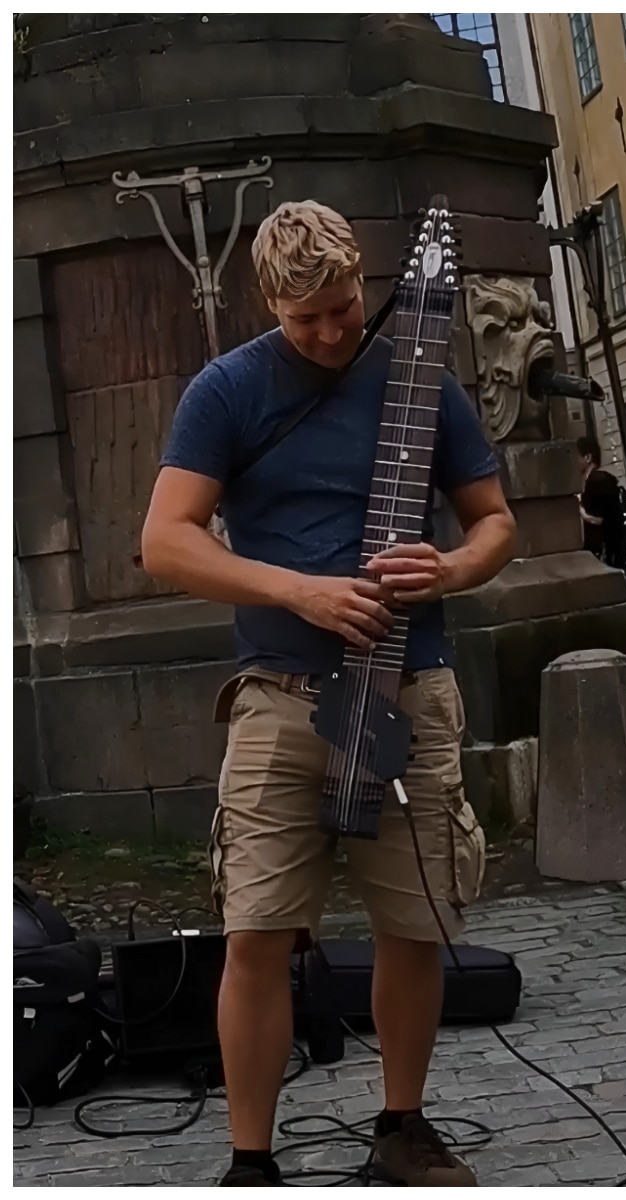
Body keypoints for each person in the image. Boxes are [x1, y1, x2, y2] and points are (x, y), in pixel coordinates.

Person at [141, 200, 517, 1186]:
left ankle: (400, 1125)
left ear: (364, 282)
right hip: (281, 694)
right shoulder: (226, 391)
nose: (332, 331)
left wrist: (449, 568)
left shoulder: (419, 376)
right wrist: (295, 587)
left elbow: (495, 525)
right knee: (255, 931)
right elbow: (165, 540)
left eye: (345, 307)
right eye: (307, 318)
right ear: (269, 301)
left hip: (412, 686)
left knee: (414, 927)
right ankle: (251, 1161)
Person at [576, 437, 626, 568]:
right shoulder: (592, 481)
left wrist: (578, 509)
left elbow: (599, 519)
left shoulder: (598, 482)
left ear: (587, 457)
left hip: (606, 554)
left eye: (576, 456)